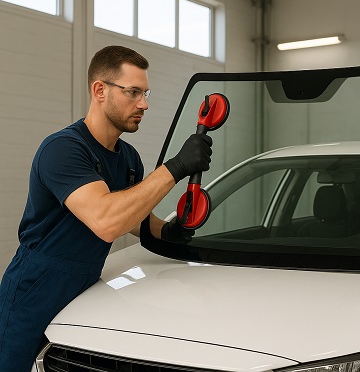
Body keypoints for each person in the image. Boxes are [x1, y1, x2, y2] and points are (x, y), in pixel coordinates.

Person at [0, 45, 212, 371]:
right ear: (100, 90)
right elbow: (106, 220)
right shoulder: (63, 149)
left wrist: (167, 230)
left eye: (145, 92)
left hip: (85, 290)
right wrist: (176, 167)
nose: (144, 103)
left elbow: (130, 215)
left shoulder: (128, 159)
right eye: (133, 92)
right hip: (34, 291)